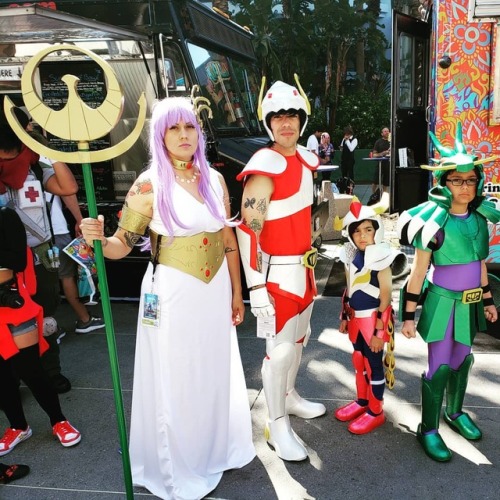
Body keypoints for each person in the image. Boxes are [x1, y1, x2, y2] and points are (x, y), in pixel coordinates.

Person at [80, 96, 255, 499]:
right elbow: (121, 245)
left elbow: (227, 238)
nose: (183, 135)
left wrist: (237, 293)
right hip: (172, 291)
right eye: (173, 128)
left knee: (212, 371)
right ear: (159, 135)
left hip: (214, 294)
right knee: (176, 376)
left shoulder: (214, 179)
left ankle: (213, 449)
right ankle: (178, 463)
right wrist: (97, 239)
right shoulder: (148, 183)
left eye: (189, 127)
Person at [236, 78, 326, 462]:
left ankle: (288, 398)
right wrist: (255, 286)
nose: (285, 123)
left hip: (304, 269)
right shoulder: (264, 166)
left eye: (292, 116)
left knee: (300, 343)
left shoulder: (306, 158)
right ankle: (275, 423)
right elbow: (247, 229)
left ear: (302, 120)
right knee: (281, 350)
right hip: (275, 275)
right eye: (278, 117)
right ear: (268, 122)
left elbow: (305, 214)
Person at [398, 123, 500, 462]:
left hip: (469, 305)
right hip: (442, 304)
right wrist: (408, 316)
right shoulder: (434, 223)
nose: (465, 186)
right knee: (438, 367)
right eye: (457, 179)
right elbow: (417, 273)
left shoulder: (481, 219)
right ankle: (427, 428)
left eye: (470, 179)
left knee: (463, 360)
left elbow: (480, 265)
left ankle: (454, 412)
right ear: (444, 183)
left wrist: (487, 301)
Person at [0, 112, 77, 394]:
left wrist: (47, 150)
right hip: (5, 261)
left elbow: (68, 186)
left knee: (45, 315)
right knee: (7, 320)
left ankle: (50, 372)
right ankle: (15, 376)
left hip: (39, 255)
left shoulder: (34, 165)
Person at [0, 206, 81, 457]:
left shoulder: (5, 214)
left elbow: (16, 260)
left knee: (31, 369)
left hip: (12, 303)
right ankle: (18, 426)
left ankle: (58, 420)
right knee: (1, 375)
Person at [335, 201, 399, 434]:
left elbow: (386, 299)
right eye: (357, 231)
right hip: (355, 320)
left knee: (373, 366)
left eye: (368, 230)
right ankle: (362, 401)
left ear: (377, 230)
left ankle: (376, 410)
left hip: (373, 321)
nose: (362, 236)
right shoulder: (349, 256)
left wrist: (380, 332)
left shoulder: (381, 260)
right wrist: (344, 316)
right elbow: (349, 289)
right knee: (358, 361)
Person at [371, 127, 391, 195]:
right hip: (380, 164)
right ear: (382, 133)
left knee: (386, 182)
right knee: (375, 181)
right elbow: (374, 155)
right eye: (385, 131)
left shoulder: (391, 141)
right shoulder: (378, 142)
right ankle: (374, 195)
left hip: (388, 164)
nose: (387, 132)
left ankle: (384, 197)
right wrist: (382, 153)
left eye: (388, 131)